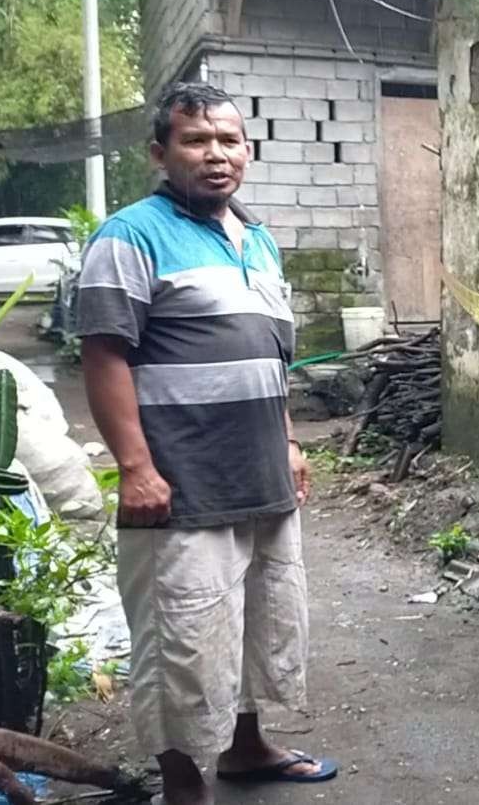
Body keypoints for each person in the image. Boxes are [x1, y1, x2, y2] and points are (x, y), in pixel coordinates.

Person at [77, 81, 337, 805]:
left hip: (259, 474)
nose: (215, 155)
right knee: (182, 640)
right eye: (196, 141)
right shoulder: (129, 235)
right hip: (179, 483)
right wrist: (135, 467)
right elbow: (102, 355)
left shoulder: (256, 239)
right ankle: (182, 785)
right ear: (161, 153)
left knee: (257, 618)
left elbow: (269, 354)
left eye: (228, 140)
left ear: (245, 151)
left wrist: (286, 440)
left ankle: (246, 747)